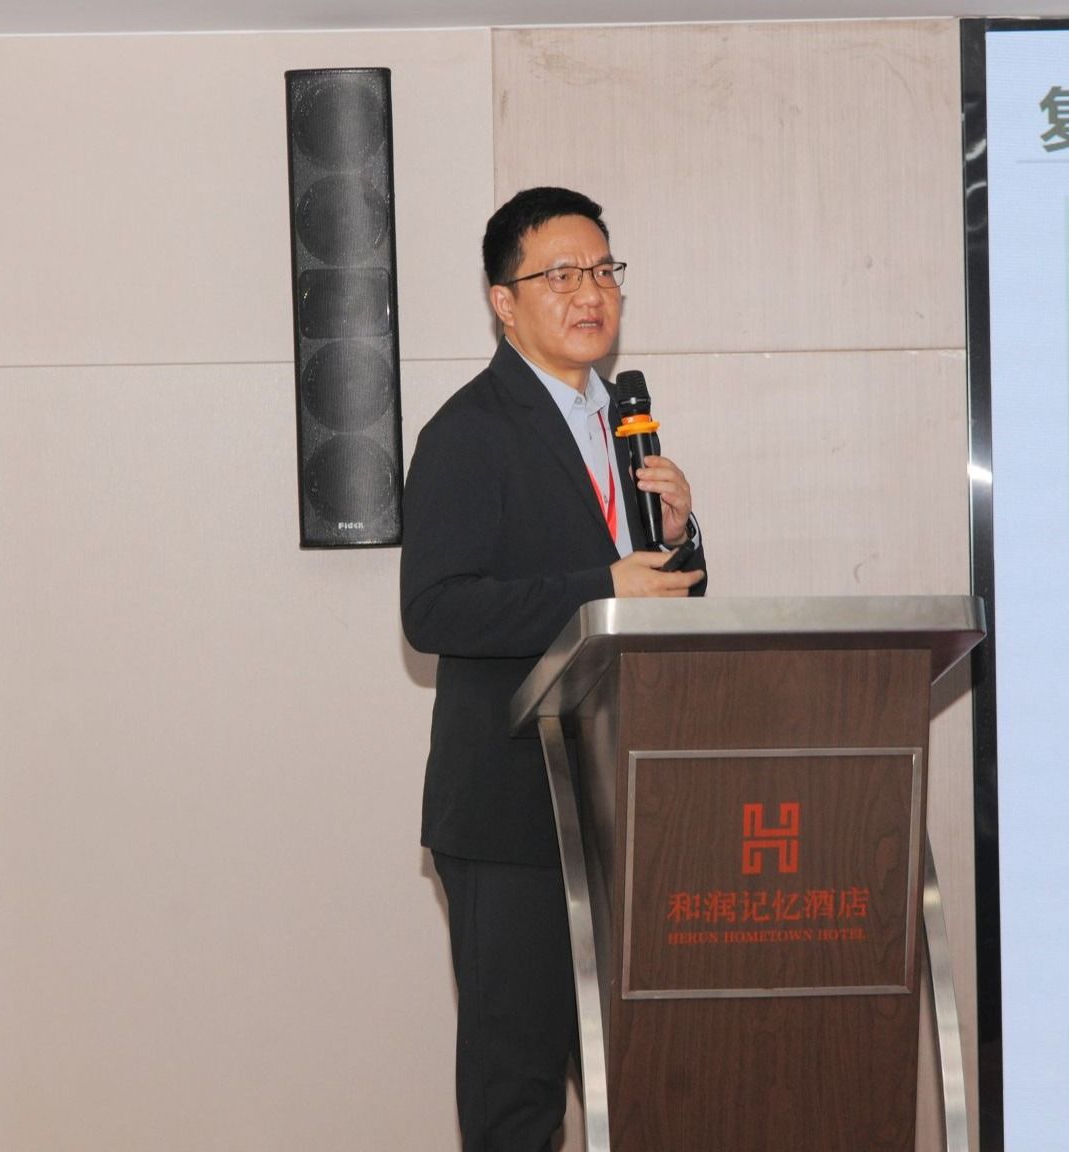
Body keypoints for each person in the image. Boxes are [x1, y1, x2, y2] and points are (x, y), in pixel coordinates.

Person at [401, 186, 705, 1150]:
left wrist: (679, 537)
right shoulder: (469, 431)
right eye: (562, 274)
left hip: (626, 805)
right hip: (512, 816)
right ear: (505, 301)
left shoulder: (622, 422)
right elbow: (434, 609)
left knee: (644, 1081)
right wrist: (600, 583)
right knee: (519, 1093)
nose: (591, 293)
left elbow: (656, 593)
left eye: (605, 271)